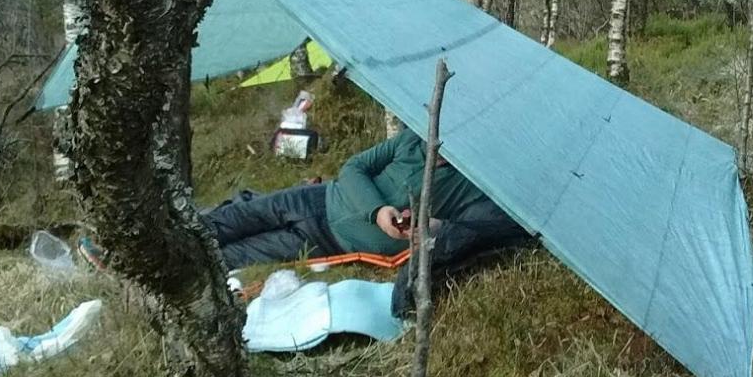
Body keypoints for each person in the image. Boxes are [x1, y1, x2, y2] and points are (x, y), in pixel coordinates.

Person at [200, 127, 529, 273]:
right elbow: (353, 167)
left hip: (330, 241)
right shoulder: (411, 141)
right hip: (317, 197)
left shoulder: (472, 184)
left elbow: (482, 229)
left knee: (232, 257)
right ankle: (175, 241)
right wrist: (378, 210)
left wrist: (436, 227)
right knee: (230, 219)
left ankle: (186, 274)